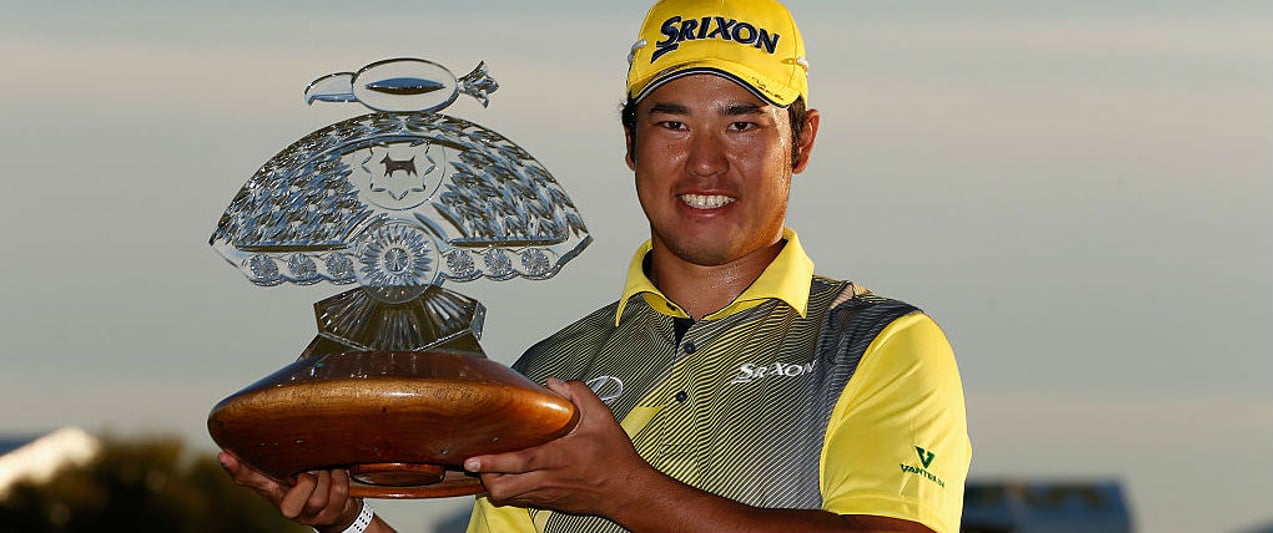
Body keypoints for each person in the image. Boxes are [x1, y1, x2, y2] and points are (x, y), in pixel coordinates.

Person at [220, 1, 971, 532]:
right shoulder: (550, 371)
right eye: (672, 123)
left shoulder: (880, 345)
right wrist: (347, 521)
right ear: (630, 143)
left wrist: (625, 491)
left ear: (802, 142)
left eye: (743, 124)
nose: (705, 163)